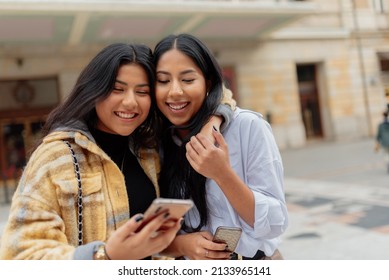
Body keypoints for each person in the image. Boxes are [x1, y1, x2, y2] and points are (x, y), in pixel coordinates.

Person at [0, 43, 183, 260]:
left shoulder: (149, 151)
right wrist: (104, 256)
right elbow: (20, 253)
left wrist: (218, 118)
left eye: (142, 91)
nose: (130, 102)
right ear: (95, 90)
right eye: (117, 89)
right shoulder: (56, 156)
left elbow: (213, 98)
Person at [153, 33, 288, 260]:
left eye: (187, 80)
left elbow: (275, 222)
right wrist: (182, 245)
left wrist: (222, 174)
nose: (175, 91)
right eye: (163, 81)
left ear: (208, 82)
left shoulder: (247, 127)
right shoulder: (155, 144)